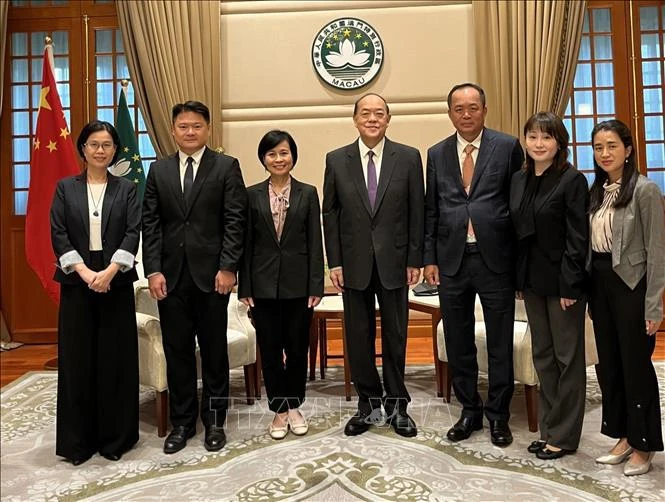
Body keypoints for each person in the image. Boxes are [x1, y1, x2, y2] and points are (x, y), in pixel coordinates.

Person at [142, 100, 247, 454]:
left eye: (196, 126)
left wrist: (228, 266)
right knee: (178, 351)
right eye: (183, 126)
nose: (190, 132)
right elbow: (151, 224)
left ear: (207, 129)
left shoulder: (226, 167)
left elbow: (236, 221)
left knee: (215, 352)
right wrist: (153, 269)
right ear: (173, 130)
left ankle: (215, 421)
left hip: (212, 276)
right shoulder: (158, 171)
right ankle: (183, 422)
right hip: (170, 278)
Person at [423, 83, 524, 446]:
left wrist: (518, 261)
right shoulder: (436, 153)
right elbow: (431, 209)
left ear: (484, 109)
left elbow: (517, 205)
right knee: (458, 338)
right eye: (459, 108)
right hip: (451, 260)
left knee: (499, 340)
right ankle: (470, 411)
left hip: (494, 258)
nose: (466, 114)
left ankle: (499, 415)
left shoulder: (507, 146)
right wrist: (429, 258)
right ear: (450, 113)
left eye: (473, 108)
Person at [323, 93, 424, 438]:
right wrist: (334, 261)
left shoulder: (408, 158)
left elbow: (417, 212)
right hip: (353, 264)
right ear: (355, 119)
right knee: (358, 336)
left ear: (388, 119)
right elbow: (330, 214)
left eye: (378, 113)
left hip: (396, 262)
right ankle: (368, 405)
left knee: (396, 336)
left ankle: (398, 406)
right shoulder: (336, 160)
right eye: (365, 113)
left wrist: (415, 258)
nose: (372, 119)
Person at [50, 120, 140, 465]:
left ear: (115, 150)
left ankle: (115, 439)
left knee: (115, 361)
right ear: (83, 149)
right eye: (93, 144)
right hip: (77, 281)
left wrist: (110, 272)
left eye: (107, 145)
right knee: (77, 361)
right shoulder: (65, 188)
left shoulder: (128, 188)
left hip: (115, 281)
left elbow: (133, 231)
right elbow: (58, 233)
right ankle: (78, 442)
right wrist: (87, 273)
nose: (100, 150)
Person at [509, 112, 589, 459]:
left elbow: (578, 239)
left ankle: (565, 435)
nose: (538, 144)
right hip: (532, 281)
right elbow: (518, 236)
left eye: (546, 137)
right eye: (532, 137)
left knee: (567, 358)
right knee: (543, 356)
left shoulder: (572, 180)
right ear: (524, 141)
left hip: (563, 284)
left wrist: (571, 286)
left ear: (560, 143)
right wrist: (519, 280)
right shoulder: (519, 178)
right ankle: (549, 428)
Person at [588, 119, 664, 476]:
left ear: (628, 150)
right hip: (600, 285)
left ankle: (644, 444)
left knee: (636, 366)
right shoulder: (598, 189)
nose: (605, 153)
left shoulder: (645, 190)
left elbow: (657, 252)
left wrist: (654, 305)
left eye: (612, 146)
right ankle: (623, 435)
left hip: (631, 286)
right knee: (611, 365)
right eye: (599, 147)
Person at [238, 130, 324, 440]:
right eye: (272, 154)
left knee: (298, 349)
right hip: (261, 286)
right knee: (271, 350)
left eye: (284, 153)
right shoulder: (250, 195)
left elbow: (316, 240)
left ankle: (296, 405)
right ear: (263, 158)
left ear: (293, 156)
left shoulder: (308, 192)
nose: (278, 159)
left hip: (299, 285)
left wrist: (317, 284)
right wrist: (244, 286)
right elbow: (245, 244)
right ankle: (279, 410)